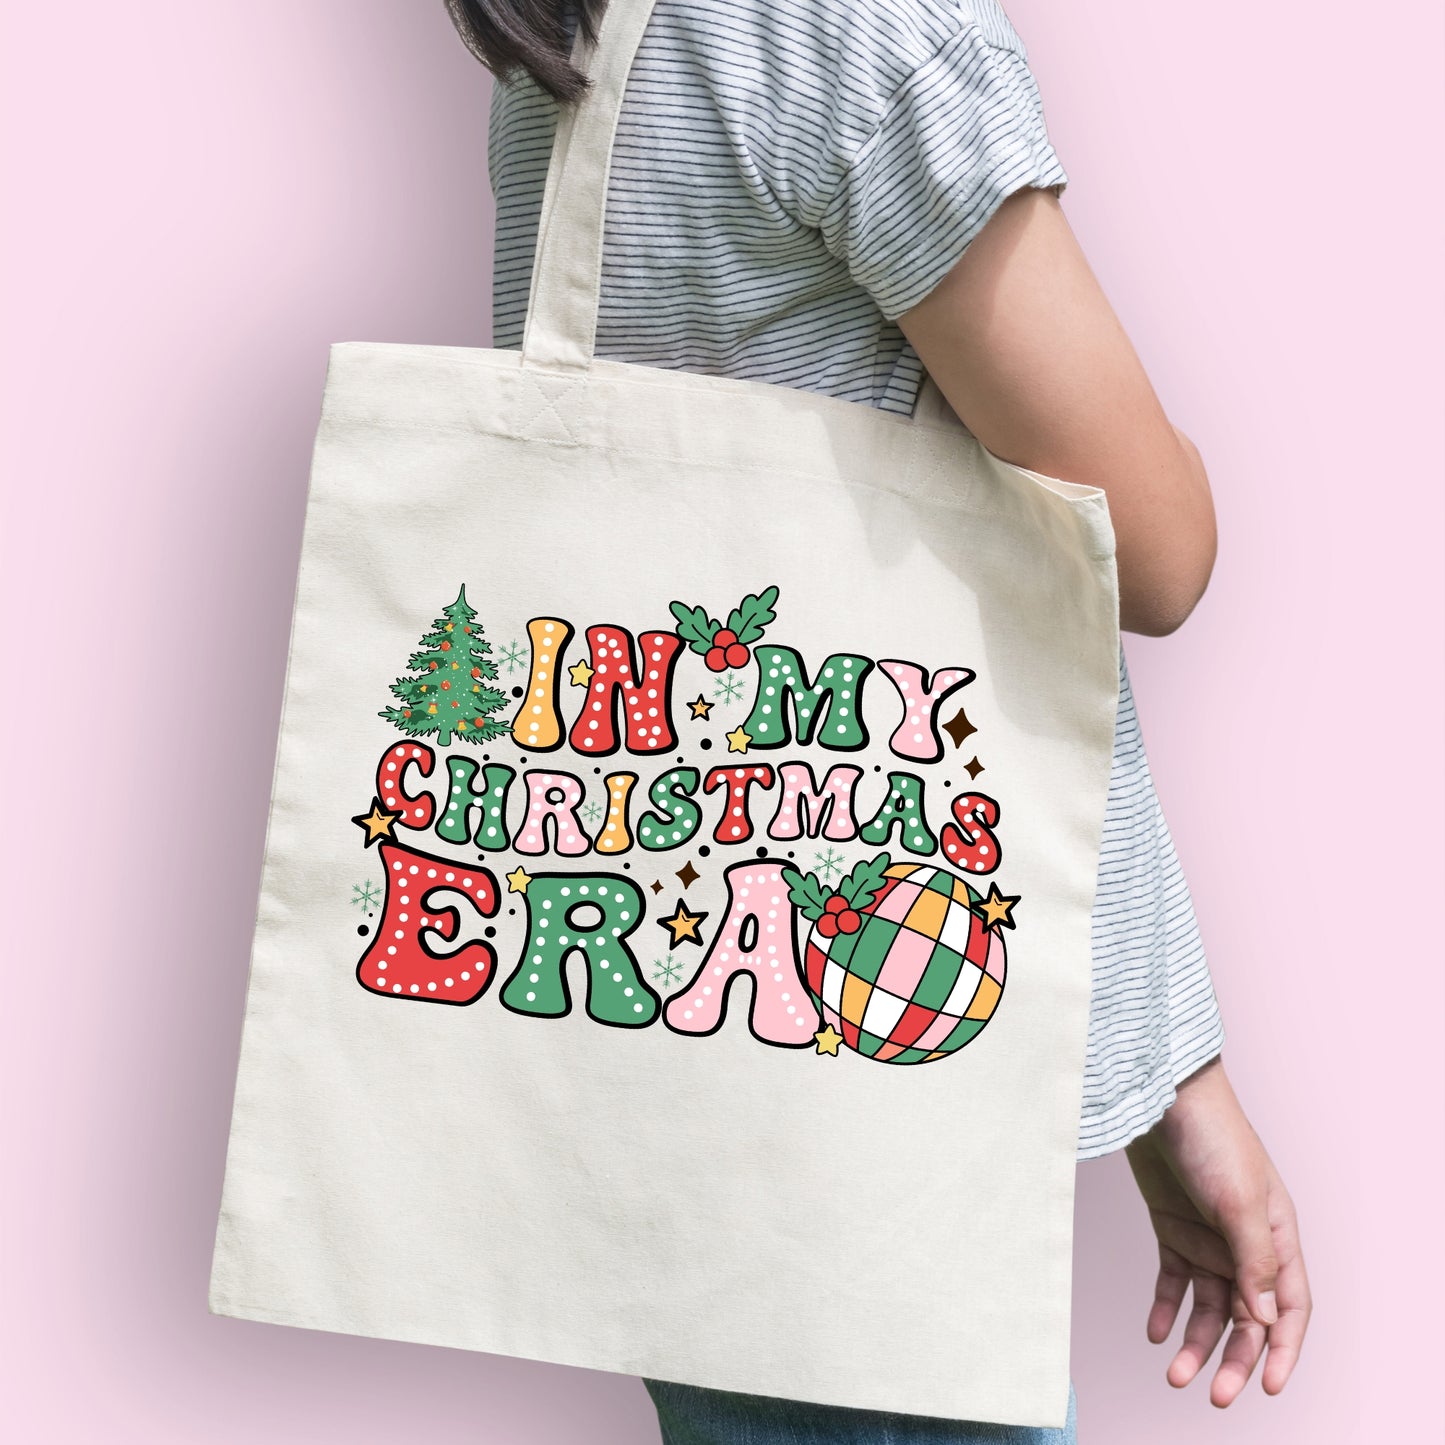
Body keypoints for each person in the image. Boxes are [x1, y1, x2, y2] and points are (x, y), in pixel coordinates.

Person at [446, 1, 1313, 1439]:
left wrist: (1161, 1081)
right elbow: (1144, 558)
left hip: (685, 1041)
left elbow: (885, 643)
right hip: (876, 1105)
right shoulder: (846, 28)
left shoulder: (574, 44)